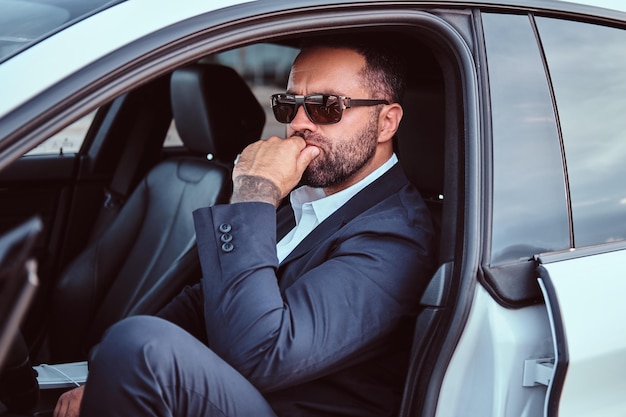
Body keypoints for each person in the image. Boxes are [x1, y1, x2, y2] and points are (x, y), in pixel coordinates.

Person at [53, 36, 435, 417]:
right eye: (289, 105)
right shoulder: (307, 199)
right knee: (126, 346)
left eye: (325, 107)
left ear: (387, 122)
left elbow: (262, 355)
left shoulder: (396, 237)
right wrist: (106, 370)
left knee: (140, 345)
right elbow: (206, 300)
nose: (299, 124)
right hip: (238, 395)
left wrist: (255, 192)